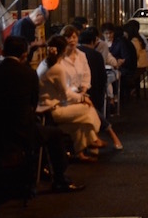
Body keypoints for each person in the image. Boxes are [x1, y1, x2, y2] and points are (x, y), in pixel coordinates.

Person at [0, 35, 83, 196]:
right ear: (23, 54)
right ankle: (59, 180)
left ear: (2, 51)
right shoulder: (29, 74)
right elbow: (33, 104)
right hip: (22, 132)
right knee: (55, 134)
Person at [39, 29, 103, 160]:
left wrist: (82, 94)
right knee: (88, 108)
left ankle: (81, 152)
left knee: (80, 122)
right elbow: (66, 94)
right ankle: (93, 139)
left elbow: (86, 75)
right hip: (52, 109)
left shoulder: (45, 64)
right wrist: (82, 98)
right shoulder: (57, 68)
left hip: (46, 106)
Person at [78, 27, 123, 150]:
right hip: (91, 93)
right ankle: (103, 136)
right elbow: (102, 76)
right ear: (93, 42)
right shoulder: (96, 55)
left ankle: (90, 141)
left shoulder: (75, 54)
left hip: (79, 91)